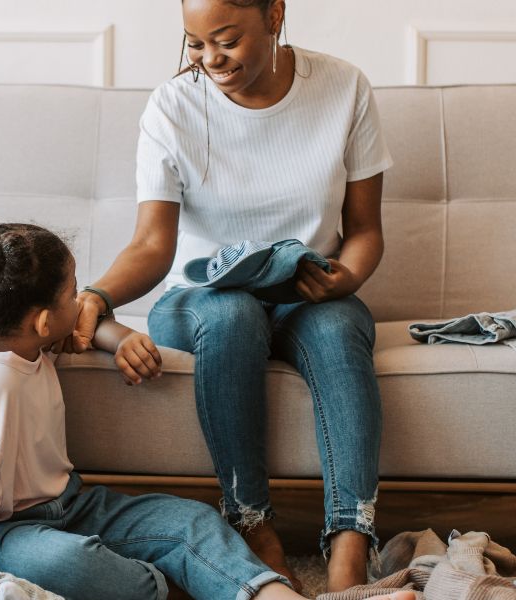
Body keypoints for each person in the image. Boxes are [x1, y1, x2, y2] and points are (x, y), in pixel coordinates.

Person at [63, 0, 394, 591]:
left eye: (226, 40)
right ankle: (253, 526)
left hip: (304, 294)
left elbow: (365, 230)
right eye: (195, 43)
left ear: (274, 15)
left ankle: (350, 549)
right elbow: (151, 245)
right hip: (201, 301)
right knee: (235, 311)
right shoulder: (173, 106)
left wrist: (346, 277)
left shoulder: (343, 87)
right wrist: (98, 294)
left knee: (340, 326)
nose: (211, 60)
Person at [0, 200, 306, 600]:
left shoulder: (24, 339)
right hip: (7, 531)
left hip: (73, 506)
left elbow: (79, 322)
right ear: (41, 322)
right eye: (74, 292)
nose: (81, 303)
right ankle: (171, 589)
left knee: (190, 520)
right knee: (66, 563)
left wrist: (122, 339)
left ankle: (263, 592)